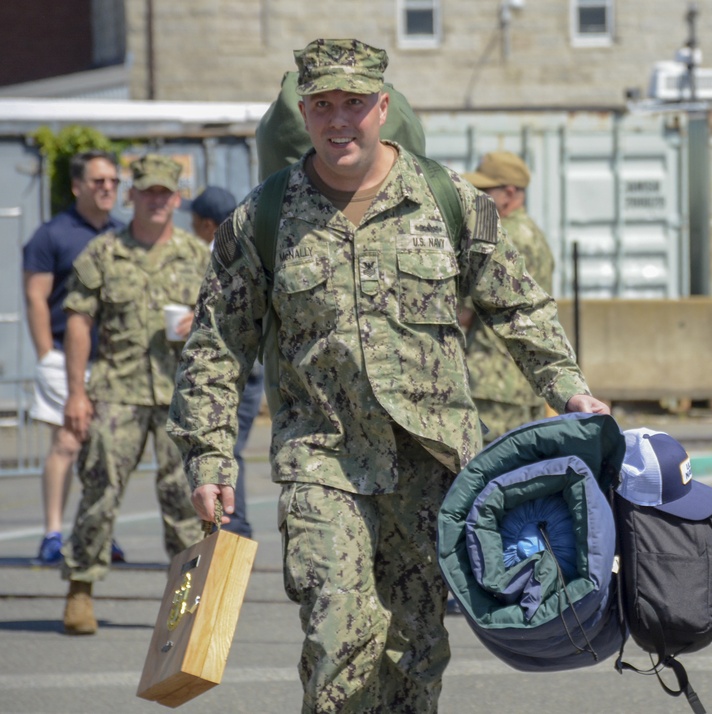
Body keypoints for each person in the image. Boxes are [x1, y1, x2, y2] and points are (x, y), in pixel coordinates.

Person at [167, 38, 609, 713]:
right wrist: (207, 458)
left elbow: (517, 303)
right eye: (322, 106)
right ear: (305, 114)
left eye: (353, 104)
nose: (339, 121)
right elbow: (216, 346)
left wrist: (568, 387)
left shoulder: (447, 199)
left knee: (416, 650)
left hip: (432, 467)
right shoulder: (261, 219)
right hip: (322, 463)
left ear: (382, 106)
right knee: (337, 638)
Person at [60, 154, 209, 635]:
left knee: (185, 501)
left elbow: (226, 321)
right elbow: (79, 322)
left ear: (178, 198)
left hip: (178, 396)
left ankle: (186, 605)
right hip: (116, 391)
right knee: (100, 490)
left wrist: (198, 325)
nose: (157, 200)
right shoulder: (103, 253)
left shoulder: (197, 255)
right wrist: (76, 394)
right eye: (148, 192)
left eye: (165, 193)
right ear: (132, 195)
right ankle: (80, 589)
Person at [21, 149, 127, 565]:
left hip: (114, 363)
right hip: (66, 357)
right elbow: (35, 296)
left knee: (108, 450)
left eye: (113, 182)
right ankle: (52, 533)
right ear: (77, 186)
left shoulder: (121, 234)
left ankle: (100, 532)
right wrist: (47, 353)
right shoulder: (52, 235)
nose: (107, 188)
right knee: (67, 441)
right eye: (98, 181)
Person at [460, 151, 555, 442]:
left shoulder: (500, 237)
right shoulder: (534, 234)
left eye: (483, 191)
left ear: (509, 193)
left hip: (492, 381)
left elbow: (463, 312)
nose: (476, 198)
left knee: (486, 471)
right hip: (527, 378)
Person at [187, 185, 262, 539]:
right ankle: (232, 524)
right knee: (229, 448)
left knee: (224, 450)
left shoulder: (222, 253)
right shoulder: (250, 240)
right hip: (251, 365)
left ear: (205, 224)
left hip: (233, 366)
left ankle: (233, 525)